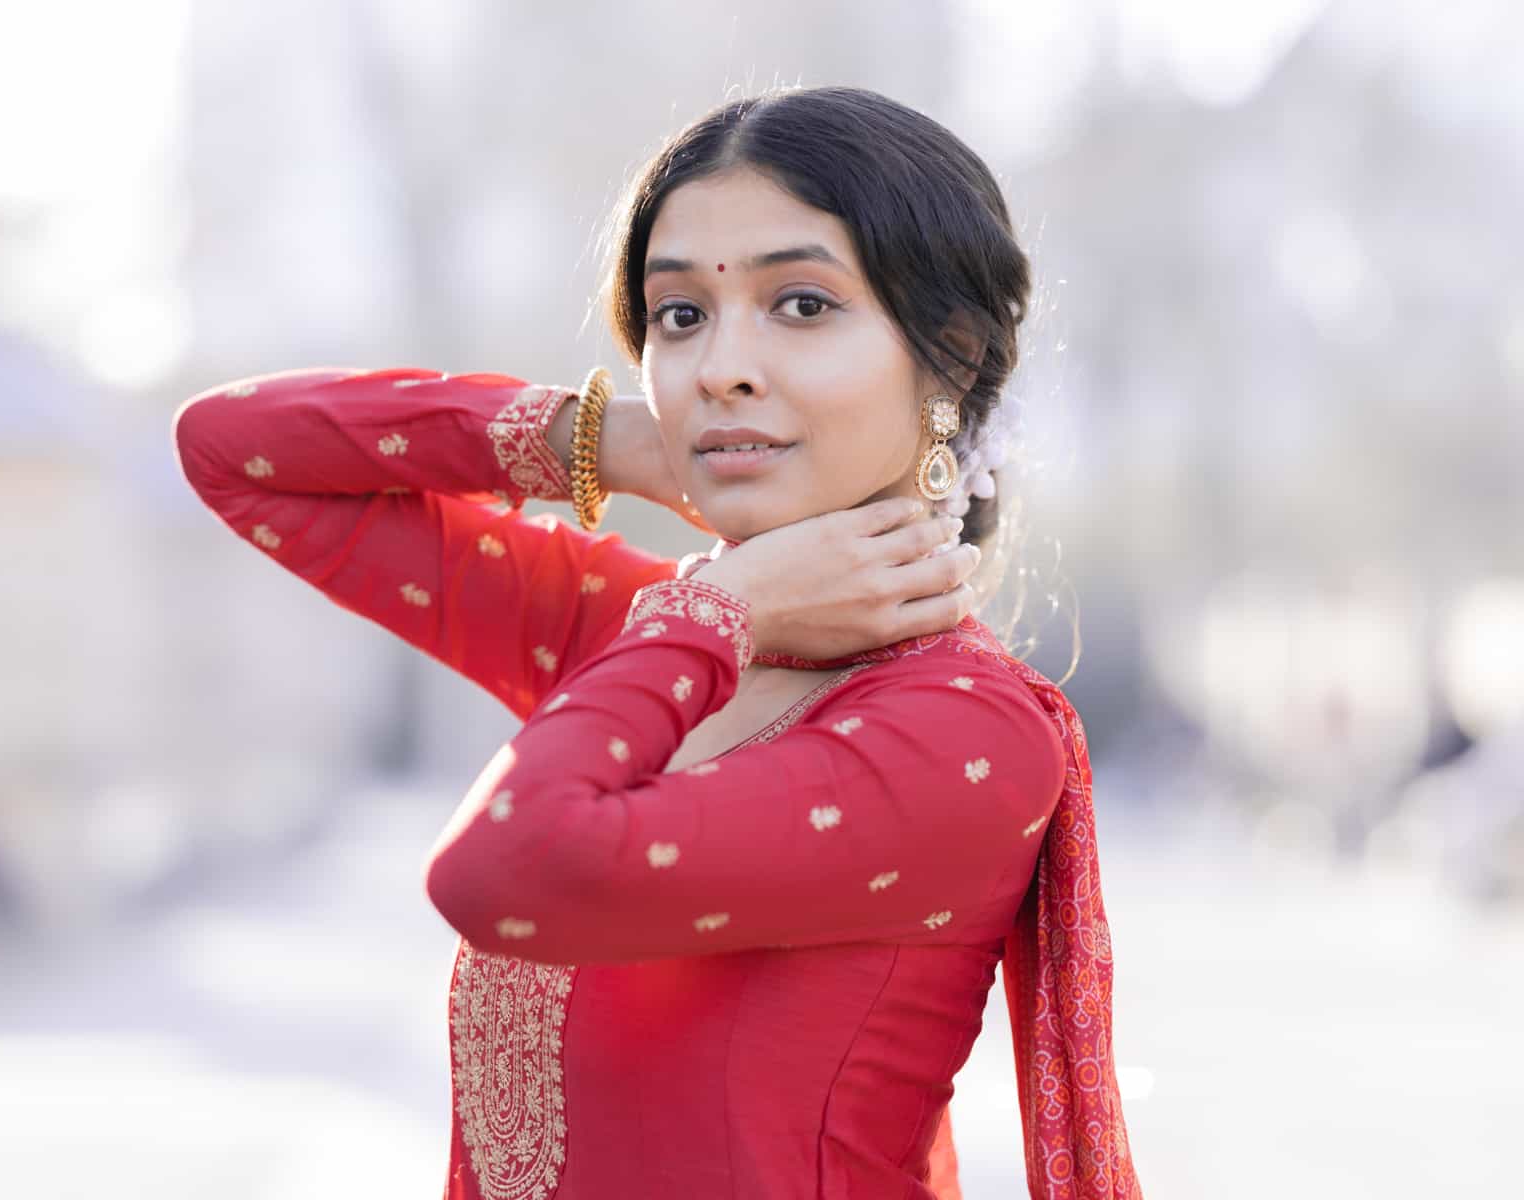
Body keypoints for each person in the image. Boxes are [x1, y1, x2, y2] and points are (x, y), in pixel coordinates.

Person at [172, 85, 1141, 1200]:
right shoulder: (636, 635)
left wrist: (714, 615)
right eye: (680, 315)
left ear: (953, 357)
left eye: (802, 304)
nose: (719, 364)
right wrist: (600, 441)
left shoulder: (964, 733)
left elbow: (506, 871)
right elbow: (232, 450)